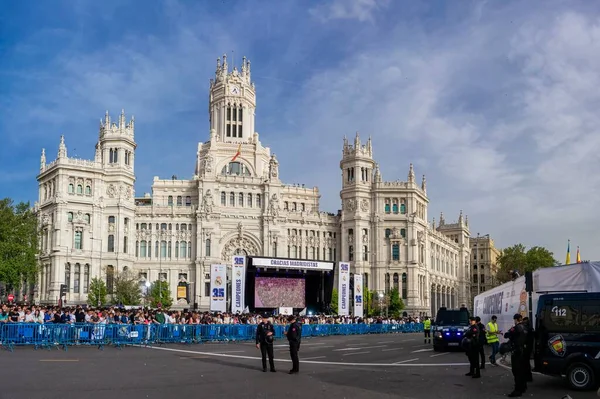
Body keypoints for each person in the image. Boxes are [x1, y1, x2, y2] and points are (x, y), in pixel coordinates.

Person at [505, 314, 527, 397]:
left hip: (516, 351)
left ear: (516, 319)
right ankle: (523, 387)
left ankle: (517, 390)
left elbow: (507, 334)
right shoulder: (525, 327)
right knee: (522, 370)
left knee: (516, 371)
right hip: (523, 350)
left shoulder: (516, 327)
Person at [522, 316, 534, 382]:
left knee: (525, 362)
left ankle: (527, 377)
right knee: (526, 362)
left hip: (526, 347)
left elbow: (525, 338)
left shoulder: (527, 328)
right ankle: (528, 377)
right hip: (529, 347)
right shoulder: (531, 328)